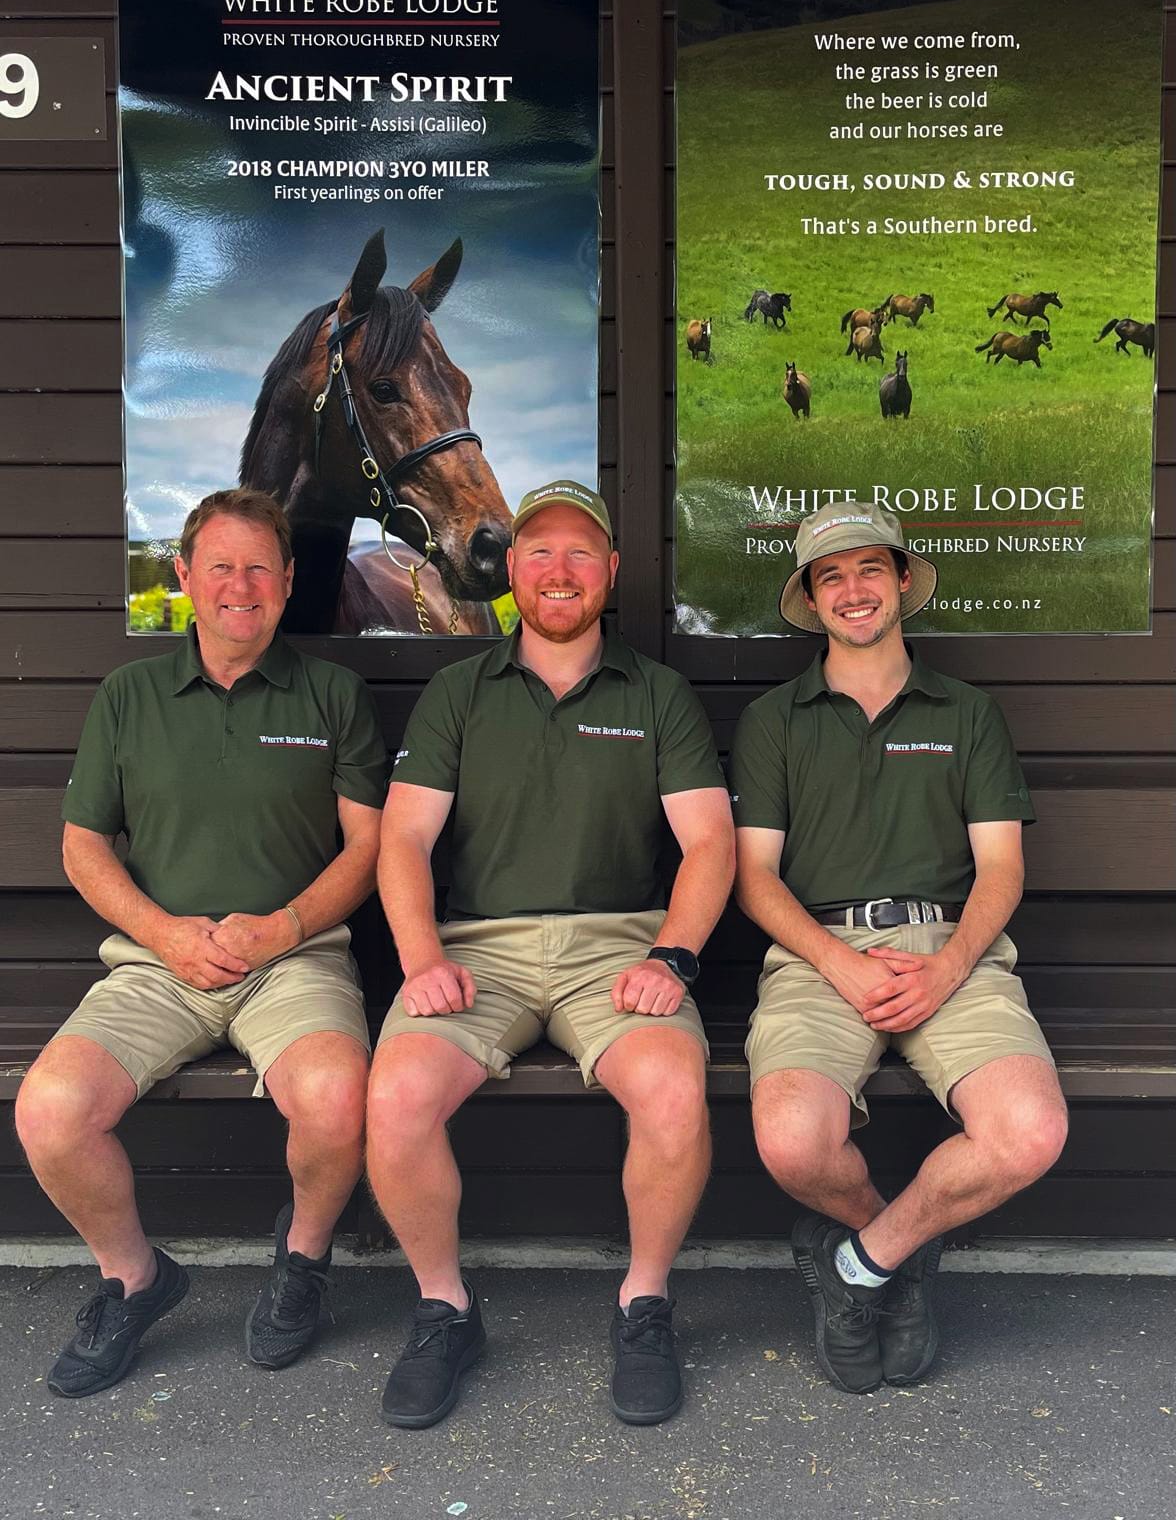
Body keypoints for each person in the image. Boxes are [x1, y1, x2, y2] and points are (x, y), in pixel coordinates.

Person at [368, 479, 734, 1429]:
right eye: (538, 552)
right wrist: (419, 958)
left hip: (617, 947)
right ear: (513, 571)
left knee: (674, 1092)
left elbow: (709, 843)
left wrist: (673, 957)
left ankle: (644, 1303)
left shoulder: (657, 693)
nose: (558, 570)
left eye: (579, 552)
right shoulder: (459, 692)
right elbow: (403, 837)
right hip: (476, 950)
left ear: (610, 570)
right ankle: (444, 1310)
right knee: (396, 1096)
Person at [15, 489, 387, 1397]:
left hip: (293, 958)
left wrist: (284, 927)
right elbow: (82, 846)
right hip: (158, 961)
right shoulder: (130, 694)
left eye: (259, 567)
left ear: (289, 580)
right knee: (50, 1112)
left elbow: (369, 847)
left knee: (338, 1098)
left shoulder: (333, 693)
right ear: (185, 575)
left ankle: (302, 1261)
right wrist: (163, 933)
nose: (240, 586)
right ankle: (134, 1279)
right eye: (220, 566)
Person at [729, 501, 1068, 1394]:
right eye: (830, 575)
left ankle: (860, 1266)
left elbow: (1002, 868)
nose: (853, 589)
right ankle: (904, 1262)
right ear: (810, 597)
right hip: (820, 951)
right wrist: (837, 962)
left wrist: (949, 965)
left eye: (870, 568)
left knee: (1029, 1133)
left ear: (904, 580)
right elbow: (754, 877)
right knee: (792, 1143)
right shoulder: (774, 719)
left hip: (953, 947)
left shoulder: (967, 711)